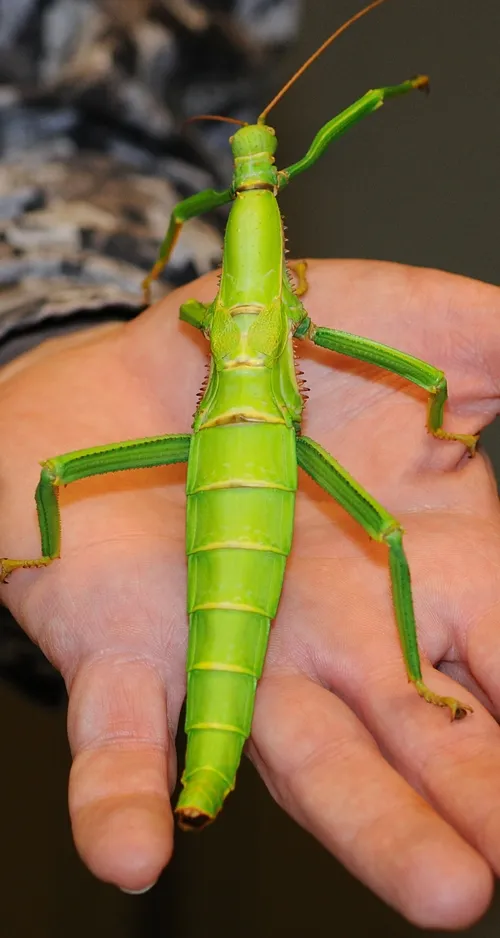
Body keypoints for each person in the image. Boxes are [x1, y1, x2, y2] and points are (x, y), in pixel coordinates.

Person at [1, 2, 500, 932]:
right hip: (264, 445)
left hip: (224, 437)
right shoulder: (278, 278)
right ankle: (347, 707)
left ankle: (226, 751)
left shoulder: (221, 272)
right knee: (383, 530)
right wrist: (440, 420)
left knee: (62, 473)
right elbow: (425, 378)